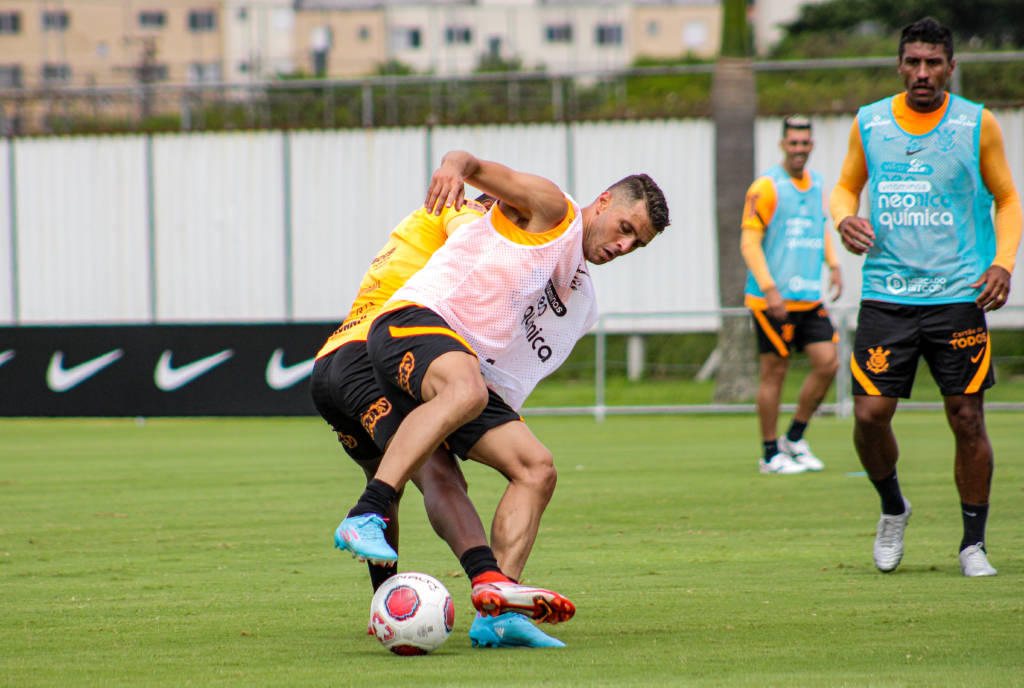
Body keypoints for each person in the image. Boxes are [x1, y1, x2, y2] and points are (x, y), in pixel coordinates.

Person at [334, 151, 669, 618]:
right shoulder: (553, 208)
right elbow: (474, 166)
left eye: (637, 244)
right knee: (466, 392)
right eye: (625, 228)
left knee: (537, 468)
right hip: (413, 321)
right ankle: (367, 512)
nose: (624, 246)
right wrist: (454, 168)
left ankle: (498, 612)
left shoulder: (579, 293)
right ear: (604, 201)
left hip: (463, 365)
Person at [311, 197, 566, 648]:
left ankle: (384, 602)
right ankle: (488, 579)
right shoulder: (466, 209)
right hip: (369, 357)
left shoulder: (419, 224)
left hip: (334, 364)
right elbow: (477, 236)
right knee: (437, 472)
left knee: (389, 475)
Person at [830, 17, 1022, 576]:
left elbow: (1008, 199)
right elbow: (844, 187)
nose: (922, 72)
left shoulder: (977, 124)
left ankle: (973, 544)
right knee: (870, 414)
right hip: (887, 294)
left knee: (967, 417)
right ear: (899, 66)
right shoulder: (870, 122)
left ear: (951, 67)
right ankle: (893, 507)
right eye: (913, 62)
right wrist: (844, 219)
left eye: (933, 62)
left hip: (958, 294)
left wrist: (1003, 263)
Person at [741, 114, 842, 475]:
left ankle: (794, 438)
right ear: (783, 144)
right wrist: (770, 289)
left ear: (811, 145)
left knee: (828, 362)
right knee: (775, 372)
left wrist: (834, 264)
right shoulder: (766, 187)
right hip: (772, 300)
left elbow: (820, 227)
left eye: (804, 142)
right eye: (793, 142)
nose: (799, 148)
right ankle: (770, 455)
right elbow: (749, 243)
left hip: (809, 297)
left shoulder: (817, 184)